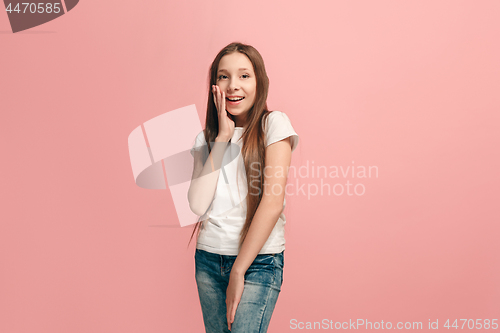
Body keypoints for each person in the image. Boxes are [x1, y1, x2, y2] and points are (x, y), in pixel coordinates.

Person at [187, 41, 299, 333]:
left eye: (244, 76)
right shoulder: (207, 140)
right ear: (214, 86)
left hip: (259, 261)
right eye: (224, 76)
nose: (233, 86)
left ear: (260, 81)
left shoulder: (273, 125)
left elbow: (272, 203)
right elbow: (197, 205)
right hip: (209, 260)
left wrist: (239, 269)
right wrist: (223, 136)